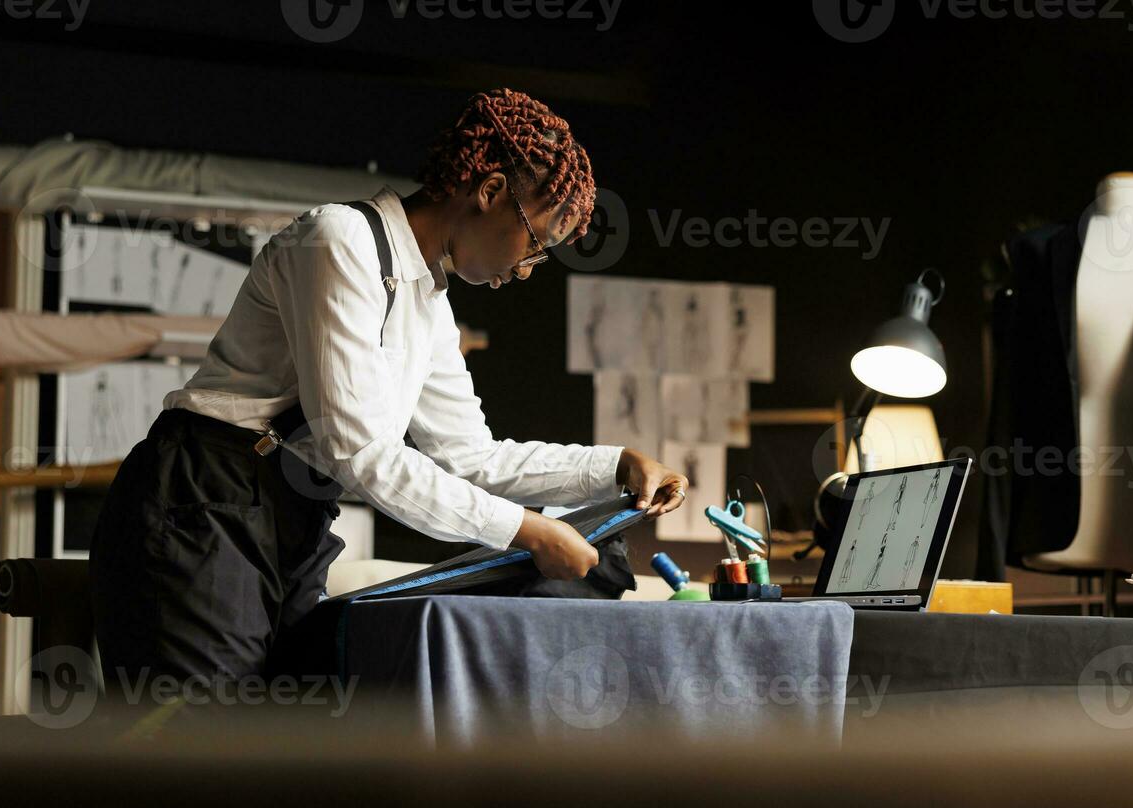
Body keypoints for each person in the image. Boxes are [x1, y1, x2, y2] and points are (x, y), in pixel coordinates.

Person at [89, 88, 688, 682]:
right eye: (535, 241)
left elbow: (471, 458)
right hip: (203, 492)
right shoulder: (338, 239)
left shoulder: (429, 303)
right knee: (198, 750)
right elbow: (359, 453)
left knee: (279, 739)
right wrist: (527, 531)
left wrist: (616, 466)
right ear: (491, 192)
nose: (529, 267)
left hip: (288, 513)